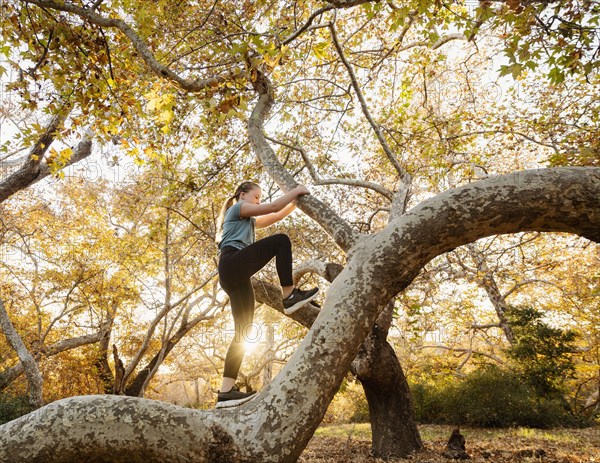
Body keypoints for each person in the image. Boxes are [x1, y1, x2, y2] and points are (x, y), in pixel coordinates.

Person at [215, 181, 319, 407]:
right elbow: (271, 208)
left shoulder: (248, 220)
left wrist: (294, 202)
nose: (258, 202)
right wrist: (296, 190)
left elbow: (276, 215)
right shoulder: (238, 209)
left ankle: (225, 393)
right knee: (281, 241)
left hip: (234, 276)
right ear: (242, 195)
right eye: (257, 197)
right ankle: (289, 295)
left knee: (243, 332)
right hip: (232, 262)